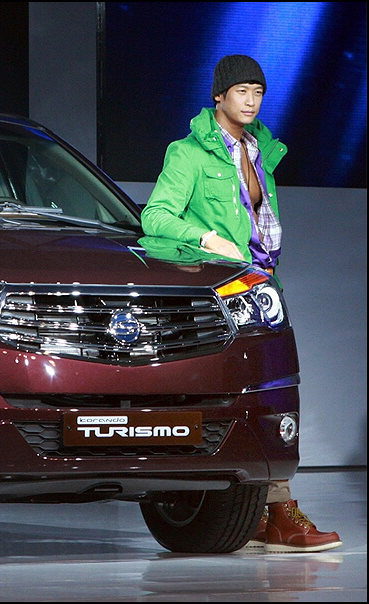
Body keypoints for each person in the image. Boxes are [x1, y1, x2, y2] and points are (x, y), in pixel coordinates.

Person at [139, 55, 342, 553]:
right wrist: (207, 238)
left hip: (261, 285)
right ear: (219, 96)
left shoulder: (260, 150)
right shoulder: (188, 153)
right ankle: (279, 511)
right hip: (220, 292)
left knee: (268, 393)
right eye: (241, 92)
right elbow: (155, 216)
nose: (251, 101)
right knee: (246, 393)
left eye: (258, 92)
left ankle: (260, 513)